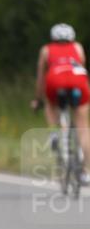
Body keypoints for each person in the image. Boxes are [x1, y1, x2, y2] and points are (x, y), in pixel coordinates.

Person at [35, 23, 90, 186]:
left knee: (50, 104)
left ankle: (54, 132)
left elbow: (40, 77)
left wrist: (37, 98)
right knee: (82, 125)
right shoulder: (78, 48)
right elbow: (83, 69)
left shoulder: (46, 50)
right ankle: (86, 171)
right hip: (78, 82)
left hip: (55, 81)